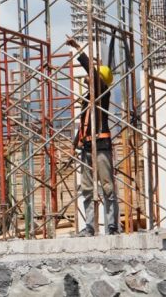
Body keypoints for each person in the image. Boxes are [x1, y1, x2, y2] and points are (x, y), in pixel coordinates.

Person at [66, 36, 119, 236]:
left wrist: (78, 49)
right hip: (87, 147)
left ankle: (111, 226)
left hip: (101, 146)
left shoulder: (102, 93)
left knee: (107, 187)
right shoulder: (87, 99)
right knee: (87, 189)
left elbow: (92, 72)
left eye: (93, 76)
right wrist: (74, 145)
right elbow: (84, 125)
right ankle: (89, 227)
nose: (88, 78)